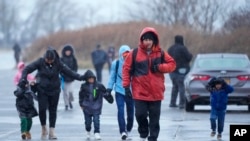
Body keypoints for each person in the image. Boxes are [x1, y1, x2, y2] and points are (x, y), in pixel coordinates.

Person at [18, 47, 84, 140]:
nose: (49, 62)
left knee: (53, 110)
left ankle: (52, 131)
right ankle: (44, 128)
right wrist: (23, 79)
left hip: (54, 90)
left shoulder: (58, 63)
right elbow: (27, 69)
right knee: (42, 109)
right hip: (42, 90)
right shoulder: (40, 62)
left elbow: (69, 72)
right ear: (45, 58)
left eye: (51, 60)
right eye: (47, 60)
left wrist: (81, 77)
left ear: (54, 59)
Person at [122, 27, 176, 141]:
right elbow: (126, 69)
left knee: (154, 119)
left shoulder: (160, 53)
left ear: (154, 40)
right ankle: (143, 132)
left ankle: (153, 138)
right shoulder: (134, 53)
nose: (147, 42)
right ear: (142, 40)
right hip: (139, 92)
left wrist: (160, 67)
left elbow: (172, 64)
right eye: (145, 39)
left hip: (156, 92)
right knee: (140, 115)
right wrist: (126, 86)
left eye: (150, 40)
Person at [106, 45, 134, 140]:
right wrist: (109, 89)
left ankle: (129, 128)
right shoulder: (116, 63)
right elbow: (112, 76)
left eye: (127, 53)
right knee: (120, 111)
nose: (126, 55)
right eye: (124, 53)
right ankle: (123, 131)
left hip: (131, 92)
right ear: (120, 54)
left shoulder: (133, 63)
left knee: (131, 113)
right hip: (119, 91)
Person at [79, 70, 113, 140]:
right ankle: (88, 131)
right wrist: (81, 104)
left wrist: (110, 98)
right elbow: (81, 96)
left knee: (96, 120)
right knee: (88, 122)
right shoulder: (83, 86)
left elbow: (105, 93)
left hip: (96, 107)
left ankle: (97, 132)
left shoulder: (99, 85)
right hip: (87, 107)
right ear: (86, 79)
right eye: (89, 78)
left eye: (92, 78)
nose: (91, 80)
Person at [167, 35, 193, 109]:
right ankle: (182, 103)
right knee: (181, 86)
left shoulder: (170, 49)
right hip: (181, 70)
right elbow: (189, 57)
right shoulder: (183, 48)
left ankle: (172, 102)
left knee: (175, 86)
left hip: (171, 70)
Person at [60, 44, 78, 110]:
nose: (68, 52)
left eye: (69, 51)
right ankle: (66, 104)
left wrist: (74, 75)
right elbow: (59, 68)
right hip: (64, 78)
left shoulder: (73, 59)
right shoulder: (61, 59)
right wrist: (61, 74)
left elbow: (75, 68)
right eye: (66, 51)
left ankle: (70, 101)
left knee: (70, 92)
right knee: (65, 92)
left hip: (71, 78)